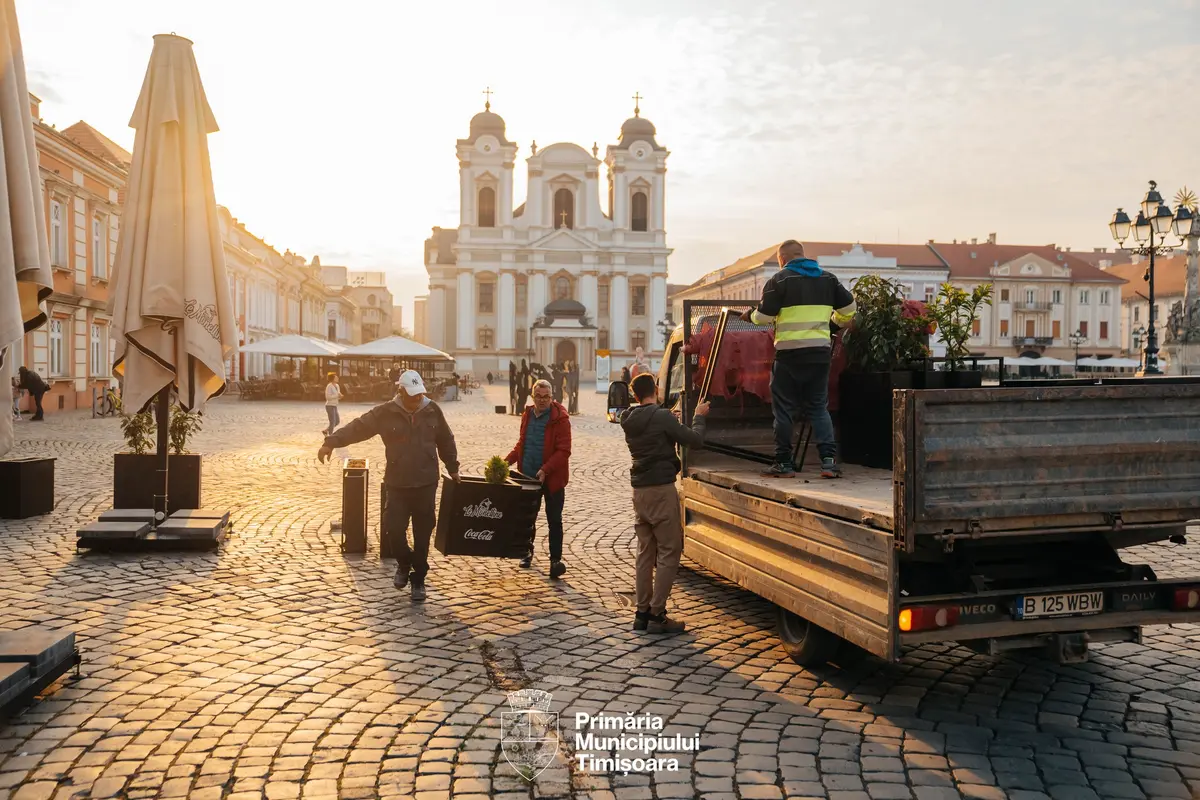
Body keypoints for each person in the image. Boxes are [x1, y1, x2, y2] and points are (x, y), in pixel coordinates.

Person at [318, 370, 460, 601]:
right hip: (398, 483)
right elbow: (359, 427)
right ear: (401, 392)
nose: (417, 400)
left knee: (423, 534)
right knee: (393, 529)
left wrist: (452, 467)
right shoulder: (386, 412)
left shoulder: (432, 409)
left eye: (419, 395)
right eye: (412, 396)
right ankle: (404, 563)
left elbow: (446, 439)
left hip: (426, 482)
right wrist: (331, 442)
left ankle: (419, 580)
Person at [740, 239, 855, 479]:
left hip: (789, 355)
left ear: (782, 259)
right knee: (818, 408)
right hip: (819, 354)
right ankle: (828, 462)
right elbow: (850, 311)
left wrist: (749, 316)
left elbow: (763, 317)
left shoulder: (779, 280)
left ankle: (784, 463)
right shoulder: (828, 279)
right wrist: (833, 324)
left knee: (784, 411)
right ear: (802, 255)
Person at [620, 372, 710, 634]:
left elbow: (655, 422)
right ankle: (657, 615)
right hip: (661, 490)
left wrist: (670, 418)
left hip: (640, 492)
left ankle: (641, 613)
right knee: (670, 551)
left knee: (645, 553)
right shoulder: (661, 417)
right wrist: (699, 417)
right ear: (656, 389)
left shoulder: (629, 418)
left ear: (635, 395)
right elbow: (695, 439)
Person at [505, 379, 572, 578]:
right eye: (538, 396)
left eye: (546, 397)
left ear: (552, 397)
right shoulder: (527, 415)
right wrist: (507, 461)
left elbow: (564, 451)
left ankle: (555, 560)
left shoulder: (560, 419)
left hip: (552, 480)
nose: (542, 400)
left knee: (554, 520)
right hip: (528, 476)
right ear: (533, 397)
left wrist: (545, 469)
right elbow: (522, 444)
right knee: (527, 518)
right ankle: (526, 552)